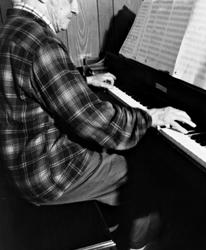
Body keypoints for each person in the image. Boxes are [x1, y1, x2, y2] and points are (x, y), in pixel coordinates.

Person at [0, 0, 196, 249]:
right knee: (142, 170)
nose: (75, 9)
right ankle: (139, 243)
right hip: (45, 172)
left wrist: (83, 80)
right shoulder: (39, 43)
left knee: (121, 151)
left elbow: (36, 80)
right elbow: (92, 120)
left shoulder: (15, 29)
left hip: (23, 161)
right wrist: (151, 117)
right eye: (70, 0)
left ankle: (117, 224)